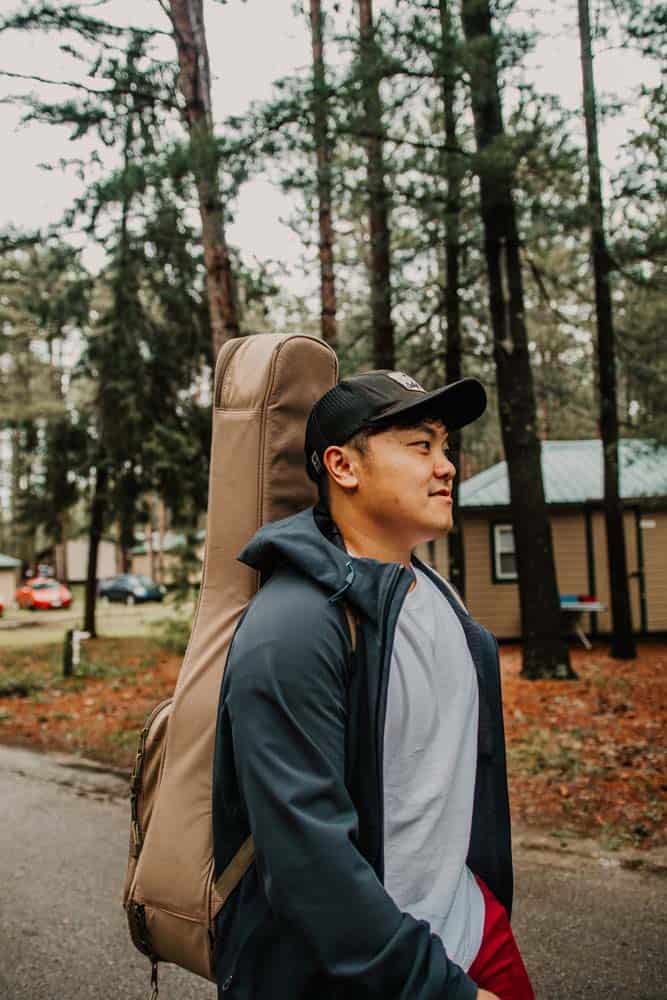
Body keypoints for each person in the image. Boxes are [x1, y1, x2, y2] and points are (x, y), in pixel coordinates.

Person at [212, 370, 535, 999]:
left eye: (445, 447)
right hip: (366, 974)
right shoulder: (293, 630)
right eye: (420, 445)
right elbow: (310, 869)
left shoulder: (439, 598)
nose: (446, 466)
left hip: (471, 925)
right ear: (343, 466)